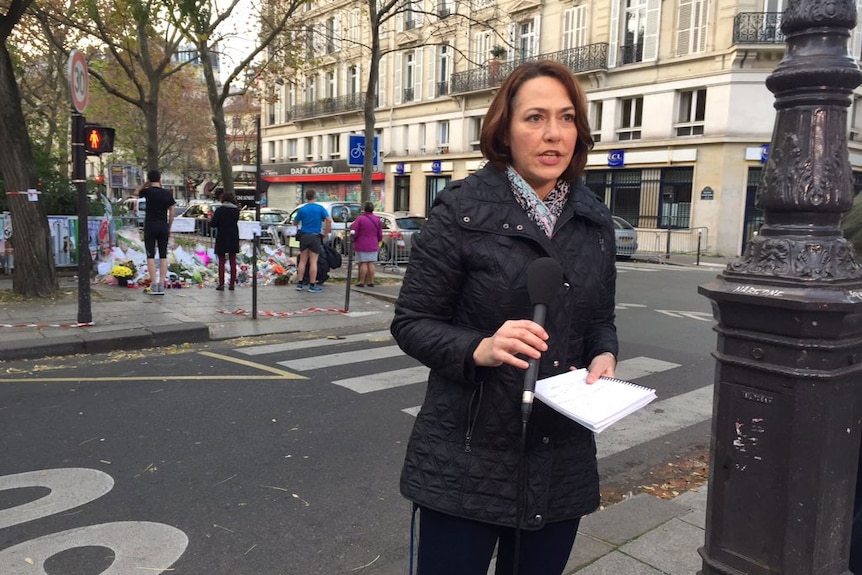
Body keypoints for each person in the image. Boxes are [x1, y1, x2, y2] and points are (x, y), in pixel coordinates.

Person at [391, 60, 619, 575]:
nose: (553, 134)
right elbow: (412, 321)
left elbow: (600, 317)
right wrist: (480, 348)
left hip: (560, 455)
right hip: (466, 456)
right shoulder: (460, 211)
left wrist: (605, 352)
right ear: (505, 129)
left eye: (566, 118)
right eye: (535, 118)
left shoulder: (594, 220)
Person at [136, 170, 175, 295]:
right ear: (160, 179)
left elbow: (136, 192)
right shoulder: (166, 194)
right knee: (163, 255)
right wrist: (169, 225)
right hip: (163, 226)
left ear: (149, 179)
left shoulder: (147, 192)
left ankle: (153, 283)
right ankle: (162, 284)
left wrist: (145, 184)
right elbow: (172, 210)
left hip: (150, 226)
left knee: (150, 255)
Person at [293, 189, 332, 293]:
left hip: (304, 236)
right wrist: (325, 232)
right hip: (315, 236)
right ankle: (312, 284)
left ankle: (300, 283)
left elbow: (295, 222)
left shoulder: (302, 209)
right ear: (315, 196)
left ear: (306, 197)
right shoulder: (319, 208)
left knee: (302, 260)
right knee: (313, 261)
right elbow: (328, 220)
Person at [210, 192, 240, 291]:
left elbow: (213, 224)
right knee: (233, 261)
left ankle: (221, 284)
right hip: (233, 236)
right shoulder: (236, 210)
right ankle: (232, 284)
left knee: (221, 261)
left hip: (222, 236)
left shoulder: (219, 210)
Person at [350, 201, 383, 287]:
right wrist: (378, 240)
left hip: (361, 243)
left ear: (364, 209)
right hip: (373, 243)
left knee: (363, 263)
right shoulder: (377, 219)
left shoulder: (360, 219)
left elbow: (354, 230)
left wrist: (353, 239)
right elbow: (380, 234)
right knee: (371, 263)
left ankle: (361, 281)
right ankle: (371, 281)